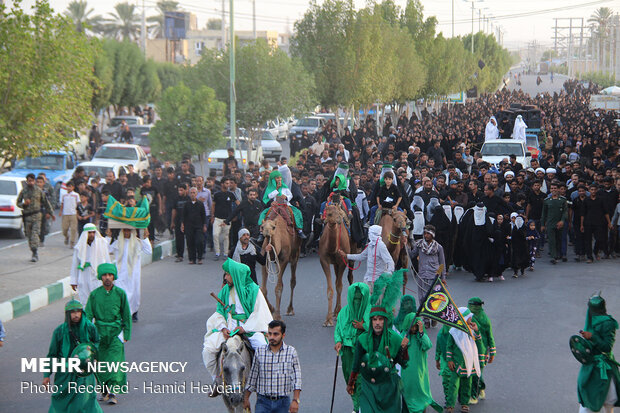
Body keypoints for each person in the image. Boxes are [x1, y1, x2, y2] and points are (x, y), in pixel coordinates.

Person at [203, 259, 272, 395]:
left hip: (251, 330)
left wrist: (245, 328)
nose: (226, 277)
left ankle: (266, 383)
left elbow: (260, 314)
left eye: (228, 274)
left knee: (263, 349)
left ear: (236, 275)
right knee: (208, 349)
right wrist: (223, 328)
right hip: (229, 330)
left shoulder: (254, 290)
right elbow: (219, 313)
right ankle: (217, 380)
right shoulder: (225, 291)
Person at [347, 270, 409, 413]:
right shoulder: (362, 339)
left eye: (380, 319)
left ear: (385, 321)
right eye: (374, 320)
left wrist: (403, 350)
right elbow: (356, 364)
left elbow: (403, 362)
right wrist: (351, 383)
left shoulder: (395, 338)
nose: (377, 323)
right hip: (369, 386)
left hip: (389, 386)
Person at [42, 300, 102, 413]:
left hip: (83, 373)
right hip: (64, 373)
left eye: (78, 312)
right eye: (73, 312)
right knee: (61, 402)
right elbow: (52, 355)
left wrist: (89, 352)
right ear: (67, 314)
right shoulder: (59, 331)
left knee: (84, 402)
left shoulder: (89, 327)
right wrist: (46, 375)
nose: (76, 315)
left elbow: (97, 342)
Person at [84, 263, 132, 405]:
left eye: (110, 275)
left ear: (114, 276)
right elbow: (87, 316)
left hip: (116, 334)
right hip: (99, 335)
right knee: (100, 365)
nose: (107, 278)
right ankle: (104, 390)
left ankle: (113, 392)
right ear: (100, 277)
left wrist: (126, 334)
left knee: (115, 364)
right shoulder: (94, 295)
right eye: (104, 275)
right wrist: (87, 336)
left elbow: (126, 315)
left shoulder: (120, 294)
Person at [243, 320, 302, 413]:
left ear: (283, 335)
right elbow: (252, 378)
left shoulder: (291, 352)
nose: (271, 337)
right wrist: (246, 399)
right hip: (263, 402)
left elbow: (297, 378)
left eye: (275, 334)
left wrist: (295, 400)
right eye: (269, 334)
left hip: (283, 403)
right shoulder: (260, 352)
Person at [577, 294, 620, 413]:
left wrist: (592, 337)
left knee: (607, 401)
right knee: (586, 398)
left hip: (603, 368)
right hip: (590, 366)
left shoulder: (608, 323)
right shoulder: (591, 320)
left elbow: (607, 347)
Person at [334, 282, 370, 413]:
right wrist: (338, 341)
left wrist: (364, 327)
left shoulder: (371, 313)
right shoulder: (344, 312)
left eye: (359, 299)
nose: (357, 302)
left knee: (362, 379)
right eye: (354, 299)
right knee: (350, 378)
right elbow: (338, 328)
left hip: (365, 351)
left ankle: (360, 407)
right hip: (348, 351)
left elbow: (378, 330)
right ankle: (356, 404)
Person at [400, 310, 443, 413]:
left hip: (420, 371)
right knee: (408, 391)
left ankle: (422, 409)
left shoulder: (421, 336)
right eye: (412, 327)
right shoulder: (404, 335)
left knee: (421, 391)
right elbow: (398, 349)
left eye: (416, 326)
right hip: (407, 371)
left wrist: (421, 332)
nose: (414, 329)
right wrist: (403, 344)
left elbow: (427, 345)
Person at [108, 228, 152, 322]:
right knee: (121, 293)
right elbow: (106, 249)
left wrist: (145, 238)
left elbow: (149, 251)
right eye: (125, 231)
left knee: (135, 293)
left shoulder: (138, 243)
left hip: (133, 275)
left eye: (129, 231)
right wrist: (108, 236)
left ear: (132, 232)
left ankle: (134, 312)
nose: (127, 233)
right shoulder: (117, 243)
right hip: (121, 274)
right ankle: (122, 314)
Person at [443, 307, 482, 413]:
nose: (471, 320)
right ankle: (450, 405)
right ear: (464, 318)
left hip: (468, 363)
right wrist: (449, 360)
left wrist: (476, 331)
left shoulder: (471, 330)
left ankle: (465, 404)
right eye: (469, 318)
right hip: (456, 363)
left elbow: (478, 341)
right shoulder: (453, 331)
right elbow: (449, 346)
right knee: (453, 385)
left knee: (467, 384)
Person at [408, 225, 446, 327]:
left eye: (428, 233)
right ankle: (426, 320)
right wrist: (406, 246)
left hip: (434, 276)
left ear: (432, 235)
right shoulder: (419, 245)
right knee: (422, 298)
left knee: (433, 298)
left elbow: (442, 263)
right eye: (425, 233)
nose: (426, 235)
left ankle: (433, 317)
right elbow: (411, 255)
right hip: (422, 276)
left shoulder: (438, 247)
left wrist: (443, 278)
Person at [339, 225, 394, 292]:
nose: (368, 235)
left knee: (377, 302)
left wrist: (389, 273)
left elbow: (390, 261)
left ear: (374, 234)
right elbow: (361, 256)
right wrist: (346, 256)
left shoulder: (381, 246)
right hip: (368, 279)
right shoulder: (370, 245)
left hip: (379, 282)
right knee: (365, 301)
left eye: (370, 233)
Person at [259, 169, 306, 240]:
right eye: (277, 178)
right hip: (274, 206)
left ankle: (299, 230)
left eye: (280, 177)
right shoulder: (269, 188)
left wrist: (286, 197)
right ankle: (261, 233)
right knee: (263, 214)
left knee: (297, 212)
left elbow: (290, 195)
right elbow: (267, 197)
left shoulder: (285, 187)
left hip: (286, 205)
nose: (279, 179)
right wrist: (276, 191)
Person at [70, 223, 111, 305]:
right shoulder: (79, 247)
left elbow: (107, 260)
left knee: (98, 299)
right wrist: (73, 281)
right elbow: (75, 264)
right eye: (89, 233)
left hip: (97, 275)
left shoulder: (102, 243)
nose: (92, 235)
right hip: (84, 275)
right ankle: (88, 317)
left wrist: (109, 277)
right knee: (85, 300)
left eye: (93, 232)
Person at [16, 173, 53, 262]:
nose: (31, 183)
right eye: (29, 181)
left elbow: (46, 202)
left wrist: (50, 212)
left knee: (35, 234)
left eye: (32, 181)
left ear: (34, 181)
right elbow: (18, 203)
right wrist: (24, 204)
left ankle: (35, 253)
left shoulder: (39, 191)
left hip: (37, 216)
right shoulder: (24, 191)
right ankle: (33, 250)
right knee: (29, 235)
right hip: (27, 216)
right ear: (27, 181)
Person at [467, 297, 496, 404]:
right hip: (469, 349)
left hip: (481, 351)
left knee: (475, 373)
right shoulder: (467, 318)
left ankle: (474, 396)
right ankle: (481, 387)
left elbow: (490, 336)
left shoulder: (484, 320)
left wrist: (492, 352)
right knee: (475, 372)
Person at [541, 182, 568, 264]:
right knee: (551, 240)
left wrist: (562, 220)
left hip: (560, 223)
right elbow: (544, 214)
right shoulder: (547, 201)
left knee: (559, 239)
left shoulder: (563, 200)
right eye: (552, 188)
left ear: (558, 189)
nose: (553, 190)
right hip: (550, 223)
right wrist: (542, 224)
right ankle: (553, 256)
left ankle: (560, 254)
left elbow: (565, 212)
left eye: (555, 188)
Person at [182, 187, 207, 265]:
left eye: (194, 193)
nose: (192, 194)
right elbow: (183, 215)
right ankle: (192, 259)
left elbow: (203, 215)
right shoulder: (186, 204)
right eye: (191, 193)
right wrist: (182, 224)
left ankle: (199, 257)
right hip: (189, 226)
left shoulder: (200, 204)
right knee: (190, 242)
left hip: (198, 226)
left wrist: (204, 225)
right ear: (189, 194)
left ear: (196, 194)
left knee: (199, 241)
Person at [212, 177, 235, 260]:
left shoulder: (231, 194)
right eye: (226, 183)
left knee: (226, 236)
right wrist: (212, 216)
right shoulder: (217, 194)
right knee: (215, 235)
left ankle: (225, 253)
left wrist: (233, 216)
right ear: (222, 184)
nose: (228, 185)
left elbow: (238, 204)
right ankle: (217, 253)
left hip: (227, 219)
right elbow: (213, 205)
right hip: (217, 218)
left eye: (229, 183)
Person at [60, 181, 80, 249]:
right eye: (67, 186)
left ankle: (72, 242)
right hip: (65, 214)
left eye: (70, 186)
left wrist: (78, 213)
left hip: (73, 214)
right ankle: (66, 236)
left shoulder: (76, 195)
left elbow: (78, 204)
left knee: (73, 229)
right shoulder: (64, 195)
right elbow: (62, 204)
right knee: (64, 229)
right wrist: (61, 212)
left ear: (73, 187)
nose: (69, 188)